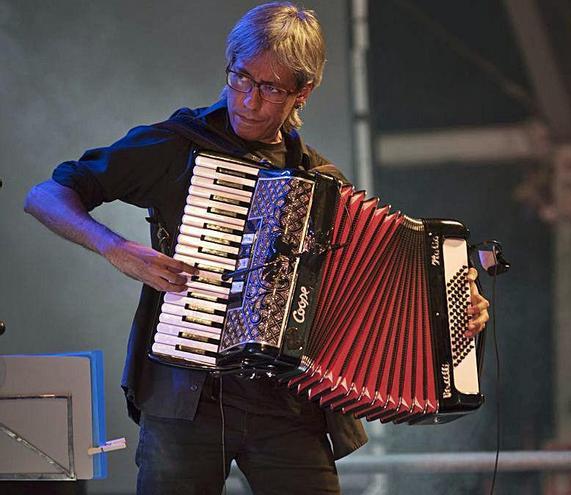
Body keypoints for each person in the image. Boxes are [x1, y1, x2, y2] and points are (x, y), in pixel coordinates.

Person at [23, 3, 490, 494]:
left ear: (302, 93)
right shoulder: (178, 146)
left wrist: (454, 311)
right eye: (240, 77)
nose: (247, 99)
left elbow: (371, 296)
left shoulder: (322, 184)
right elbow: (45, 196)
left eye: (269, 88)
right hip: (188, 399)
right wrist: (114, 247)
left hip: (289, 406)